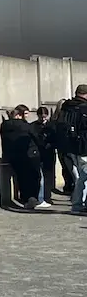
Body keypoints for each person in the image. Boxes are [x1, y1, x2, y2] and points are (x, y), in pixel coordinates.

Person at [1, 106, 43, 209]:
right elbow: (36, 138)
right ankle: (32, 197)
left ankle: (26, 199)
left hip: (14, 156)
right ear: (19, 115)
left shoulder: (4, 126)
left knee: (22, 178)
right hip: (30, 154)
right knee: (34, 176)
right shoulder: (25, 126)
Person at [55, 85, 87, 214]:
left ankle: (78, 203)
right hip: (83, 146)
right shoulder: (84, 108)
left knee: (82, 176)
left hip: (69, 147)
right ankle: (78, 203)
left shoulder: (66, 107)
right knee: (83, 176)